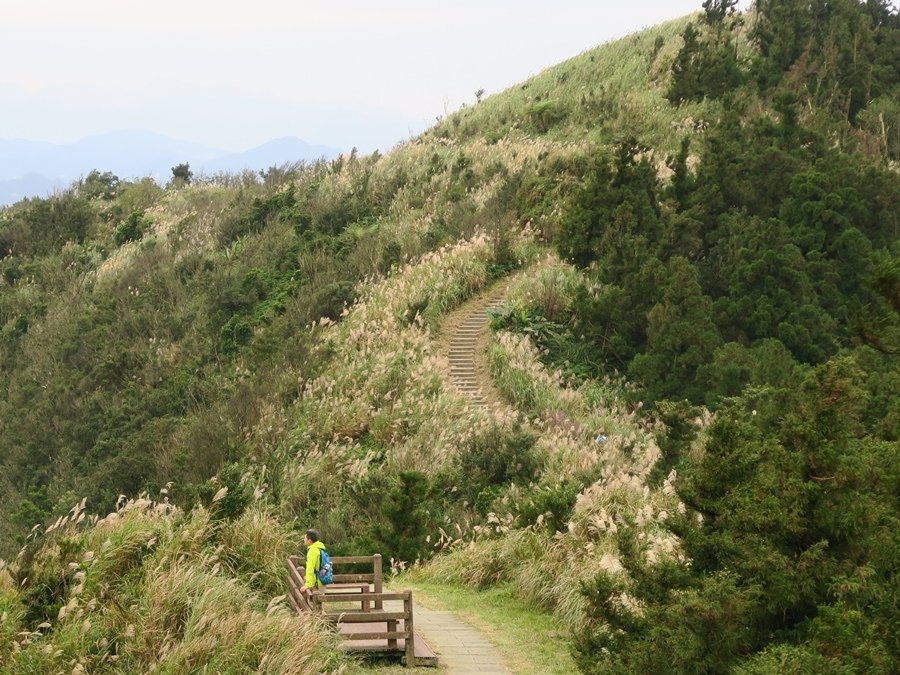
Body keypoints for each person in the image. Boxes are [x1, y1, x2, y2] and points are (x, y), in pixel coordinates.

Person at [301, 528, 328, 599]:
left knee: (316, 605)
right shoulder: (320, 547)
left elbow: (310, 569)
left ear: (309, 541)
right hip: (322, 578)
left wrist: (307, 585)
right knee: (320, 604)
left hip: (317, 581)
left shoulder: (312, 551)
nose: (304, 540)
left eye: (305, 538)